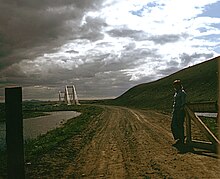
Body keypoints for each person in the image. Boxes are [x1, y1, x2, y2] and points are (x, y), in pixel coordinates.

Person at [171, 79, 186, 146]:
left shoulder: (182, 93)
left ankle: (181, 139)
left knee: (179, 125)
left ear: (179, 85)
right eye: (175, 85)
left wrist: (181, 110)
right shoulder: (176, 93)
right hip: (175, 110)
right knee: (173, 124)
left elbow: (183, 103)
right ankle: (179, 138)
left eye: (176, 85)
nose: (175, 87)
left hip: (180, 111)